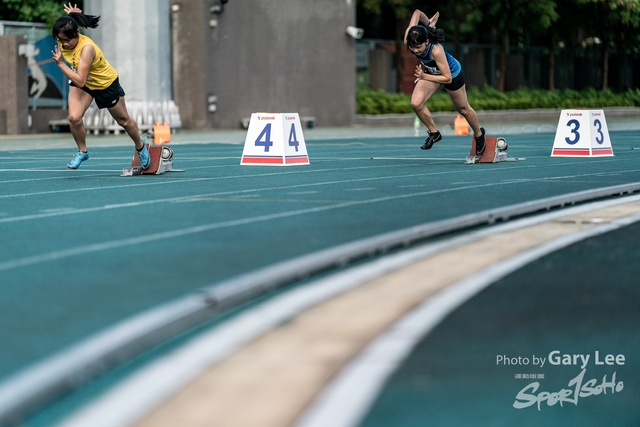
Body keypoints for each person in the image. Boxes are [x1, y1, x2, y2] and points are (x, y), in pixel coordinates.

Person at [51, 2, 149, 169]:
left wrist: (61, 64)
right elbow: (81, 82)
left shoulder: (87, 48)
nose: (64, 44)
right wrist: (73, 14)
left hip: (104, 83)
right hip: (82, 81)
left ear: (78, 33)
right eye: (60, 40)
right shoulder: (64, 37)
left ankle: (140, 146)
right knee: (74, 118)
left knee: (124, 121)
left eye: (67, 40)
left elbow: (81, 79)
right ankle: (83, 151)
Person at [404, 9, 485, 156]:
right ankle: (434, 133)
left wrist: (424, 76)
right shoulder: (409, 38)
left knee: (463, 109)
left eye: (418, 47)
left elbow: (447, 78)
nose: (415, 50)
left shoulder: (436, 50)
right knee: (416, 103)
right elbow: (416, 13)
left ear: (426, 41)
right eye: (412, 47)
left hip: (451, 74)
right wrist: (428, 23)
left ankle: (479, 135)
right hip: (430, 72)